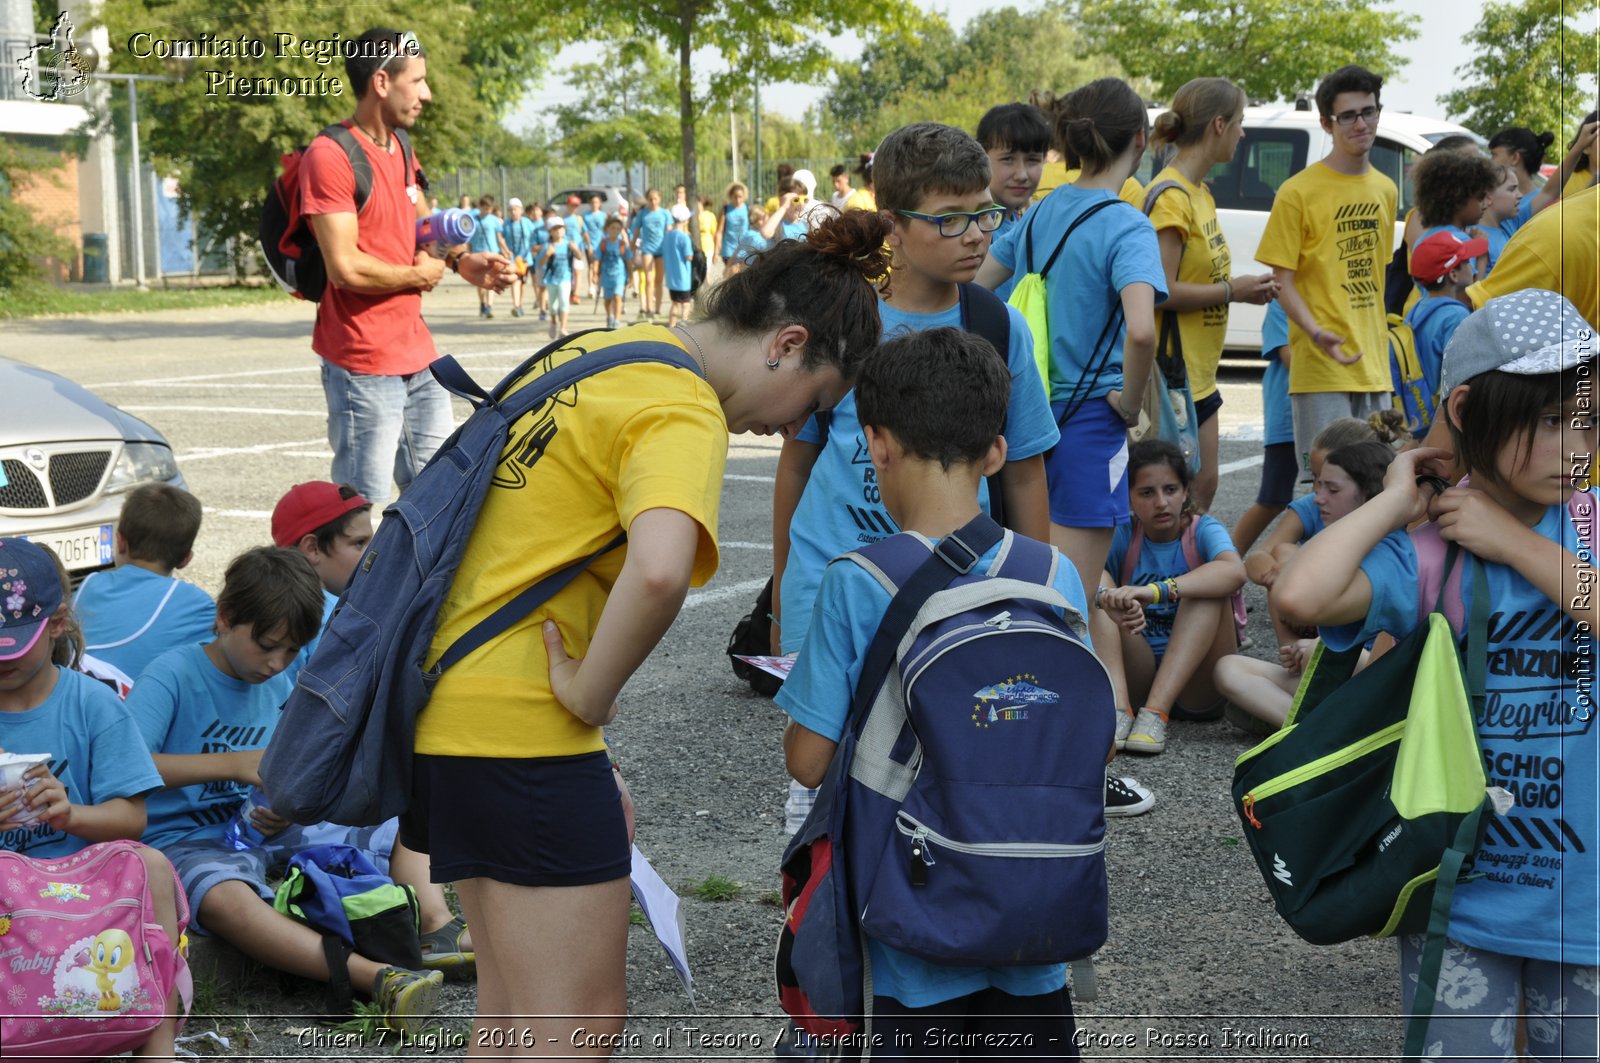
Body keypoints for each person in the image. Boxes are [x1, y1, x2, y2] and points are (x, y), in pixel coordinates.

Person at [405, 210, 892, 1055]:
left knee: (511, 1016)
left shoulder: (597, 352)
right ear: (786, 343)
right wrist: (590, 695)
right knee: (575, 1026)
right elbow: (661, 567)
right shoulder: (682, 403)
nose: (789, 428)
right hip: (528, 729)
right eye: (812, 402)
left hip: (452, 713)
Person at [1272, 289, 1598, 1059]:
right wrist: (1392, 500)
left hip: (1586, 898)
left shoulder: (1588, 522)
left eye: (1589, 420)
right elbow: (1297, 595)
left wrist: (1518, 547)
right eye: (1552, 422)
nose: (1577, 446)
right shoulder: (1431, 550)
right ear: (1467, 406)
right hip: (1458, 893)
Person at [777, 328, 1098, 1058]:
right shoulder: (1052, 575)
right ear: (995, 451)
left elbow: (808, 760)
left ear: (877, 445)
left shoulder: (861, 579)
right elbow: (1091, 735)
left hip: (910, 925)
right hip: (1034, 913)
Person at [127, 547, 465, 1033]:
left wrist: (290, 808)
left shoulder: (279, 681)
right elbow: (128, 770)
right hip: (183, 839)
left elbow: (292, 768)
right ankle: (377, 979)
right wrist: (231, 765)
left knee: (395, 815)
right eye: (267, 644)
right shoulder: (174, 674)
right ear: (224, 618)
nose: (276, 662)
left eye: (290, 651)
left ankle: (436, 925)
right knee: (222, 897)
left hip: (262, 829)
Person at [977, 77, 1167, 736]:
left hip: (1026, 416)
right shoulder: (1128, 224)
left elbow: (978, 289)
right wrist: (1130, 398)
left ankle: (1017, 716)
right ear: (1138, 141)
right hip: (1091, 419)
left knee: (1027, 570)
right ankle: (1057, 734)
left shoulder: (1041, 213)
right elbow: (1141, 329)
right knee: (1071, 591)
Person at [301, 28, 513, 510]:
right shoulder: (330, 156)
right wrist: (417, 277)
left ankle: (423, 590)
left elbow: (422, 229)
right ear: (381, 81)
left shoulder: (402, 148)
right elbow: (344, 268)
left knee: (436, 496)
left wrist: (463, 262)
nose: (427, 93)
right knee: (360, 508)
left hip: (416, 355)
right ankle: (350, 590)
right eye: (417, 81)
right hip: (361, 360)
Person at [0, 537, 185, 1061]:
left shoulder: (93, 704)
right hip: (5, 890)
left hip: (81, 886)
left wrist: (71, 813)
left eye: (13, 646)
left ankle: (158, 1044)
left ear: (56, 623)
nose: (3, 663)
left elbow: (133, 818)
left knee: (151, 865)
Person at [1144, 77, 1280, 512]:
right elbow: (1157, 291)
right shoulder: (1172, 198)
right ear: (1218, 125)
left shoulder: (1200, 194)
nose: (1243, 134)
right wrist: (1230, 291)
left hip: (1198, 374)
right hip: (1170, 376)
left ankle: (1185, 578)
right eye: (1239, 123)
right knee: (1172, 501)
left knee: (1202, 491)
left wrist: (1240, 290)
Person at [1256, 65, 1397, 480]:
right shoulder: (1298, 191)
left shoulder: (1386, 190)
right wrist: (1317, 333)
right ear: (1326, 123)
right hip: (1320, 368)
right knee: (1324, 486)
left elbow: (1377, 277)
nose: (1361, 123)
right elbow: (1281, 281)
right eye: (1348, 116)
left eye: (1368, 112)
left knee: (1378, 482)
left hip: (1374, 366)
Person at [1215, 438, 1396, 730]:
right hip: (1332, 676)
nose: (1318, 498)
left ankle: (1304, 727)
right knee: (1228, 669)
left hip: (1377, 678)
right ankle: (1322, 732)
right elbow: (1260, 558)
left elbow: (1393, 656)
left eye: (1332, 490)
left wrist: (1314, 647)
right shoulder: (1329, 544)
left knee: (1318, 651)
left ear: (1368, 497)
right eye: (1318, 485)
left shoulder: (1394, 552)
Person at [1100, 440, 1246, 754]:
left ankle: (1156, 713)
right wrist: (1113, 598)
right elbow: (1080, 579)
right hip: (1140, 675)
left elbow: (1236, 572)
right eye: (1147, 493)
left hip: (1199, 685)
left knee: (1205, 585)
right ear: (1128, 498)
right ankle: (1119, 708)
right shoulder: (1125, 534)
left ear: (1185, 491)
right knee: (1097, 582)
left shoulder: (1203, 529)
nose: (1162, 503)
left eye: (1170, 489)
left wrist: (1157, 591)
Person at [73, 483, 214, 681]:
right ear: (186, 558)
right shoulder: (197, 604)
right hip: (133, 705)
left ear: (120, 541)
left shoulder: (89, 585)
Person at [271, 481, 372, 686]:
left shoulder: (269, 594)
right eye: (359, 543)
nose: (373, 554)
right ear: (313, 548)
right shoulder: (330, 619)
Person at [1470, 184, 1600, 330]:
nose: (1520, 195)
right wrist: (1481, 259)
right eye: (1511, 189)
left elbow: (1548, 192)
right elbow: (1482, 323)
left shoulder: (1510, 225)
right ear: (1488, 198)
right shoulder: (1550, 236)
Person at [1231, 301, 1294, 555]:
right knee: (1273, 499)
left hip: (1326, 404)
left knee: (1327, 495)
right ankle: (1227, 562)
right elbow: (1290, 357)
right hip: (1288, 414)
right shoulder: (1282, 302)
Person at [1405, 231, 1486, 413]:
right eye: (1466, 262)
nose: (1472, 268)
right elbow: (1463, 372)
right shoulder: (1455, 315)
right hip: (1445, 412)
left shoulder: (1416, 310)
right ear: (1453, 275)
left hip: (1423, 408)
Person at [974, 101, 1050, 240]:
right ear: (981, 157)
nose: (1021, 175)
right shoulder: (979, 232)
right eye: (1008, 159)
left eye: (1032, 160)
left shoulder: (1017, 219)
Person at [468, 195, 510, 318]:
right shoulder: (473, 221)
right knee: (480, 282)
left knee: (491, 280)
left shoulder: (494, 220)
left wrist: (505, 250)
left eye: (489, 208)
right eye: (484, 208)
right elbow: (469, 240)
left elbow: (499, 238)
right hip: (478, 254)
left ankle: (489, 306)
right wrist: (468, 254)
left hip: (492, 254)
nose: (487, 211)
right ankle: (482, 303)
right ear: (480, 207)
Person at [634, 188, 672, 321]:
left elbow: (669, 231)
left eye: (655, 199)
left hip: (661, 250)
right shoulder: (643, 214)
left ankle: (658, 308)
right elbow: (636, 230)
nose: (653, 202)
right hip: (648, 249)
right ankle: (649, 308)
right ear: (647, 200)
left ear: (659, 199)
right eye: (650, 199)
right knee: (649, 280)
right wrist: (632, 246)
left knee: (659, 280)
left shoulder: (665, 213)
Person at [540, 216, 576, 340]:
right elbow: (541, 263)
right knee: (552, 306)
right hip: (551, 279)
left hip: (565, 278)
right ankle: (554, 321)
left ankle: (563, 328)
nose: (558, 231)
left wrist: (575, 249)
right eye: (555, 229)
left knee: (564, 302)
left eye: (560, 228)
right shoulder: (548, 246)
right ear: (550, 231)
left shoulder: (568, 244)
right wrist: (547, 254)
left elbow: (580, 257)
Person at [661, 204, 696, 327]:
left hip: (671, 278)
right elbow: (689, 256)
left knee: (675, 303)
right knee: (686, 304)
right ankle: (685, 327)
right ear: (685, 220)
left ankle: (671, 327)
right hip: (683, 278)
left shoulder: (667, 235)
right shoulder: (684, 237)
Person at [502, 198, 536, 318]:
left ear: (521, 210)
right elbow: (500, 238)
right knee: (515, 281)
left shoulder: (527, 223)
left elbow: (533, 238)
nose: (513, 212)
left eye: (515, 209)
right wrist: (505, 250)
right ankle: (516, 305)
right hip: (512, 259)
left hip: (525, 259)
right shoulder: (506, 224)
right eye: (511, 210)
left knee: (521, 283)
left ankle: (519, 305)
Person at [597, 215, 631, 330]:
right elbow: (597, 259)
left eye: (618, 228)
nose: (615, 231)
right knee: (607, 300)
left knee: (617, 297)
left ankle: (617, 321)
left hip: (619, 274)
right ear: (607, 229)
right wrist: (594, 274)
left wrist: (630, 275)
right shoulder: (603, 244)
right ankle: (610, 316)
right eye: (613, 228)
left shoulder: (622, 244)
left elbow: (628, 260)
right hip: (606, 275)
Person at [716, 182, 751, 274]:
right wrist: (716, 251)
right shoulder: (726, 210)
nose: (738, 199)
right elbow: (719, 231)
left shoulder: (747, 209)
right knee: (733, 274)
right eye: (735, 196)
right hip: (729, 248)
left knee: (743, 275)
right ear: (730, 196)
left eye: (740, 197)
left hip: (744, 248)